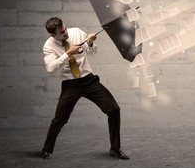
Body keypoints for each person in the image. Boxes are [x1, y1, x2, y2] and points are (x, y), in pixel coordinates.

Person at [40, 17, 129, 160]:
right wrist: (68, 53)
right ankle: (46, 149)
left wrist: (90, 42)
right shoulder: (48, 46)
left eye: (65, 28)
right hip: (70, 84)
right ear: (53, 35)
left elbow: (92, 52)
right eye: (62, 32)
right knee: (59, 119)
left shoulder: (75, 32)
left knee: (114, 109)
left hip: (89, 80)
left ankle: (115, 149)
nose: (66, 33)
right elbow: (50, 68)